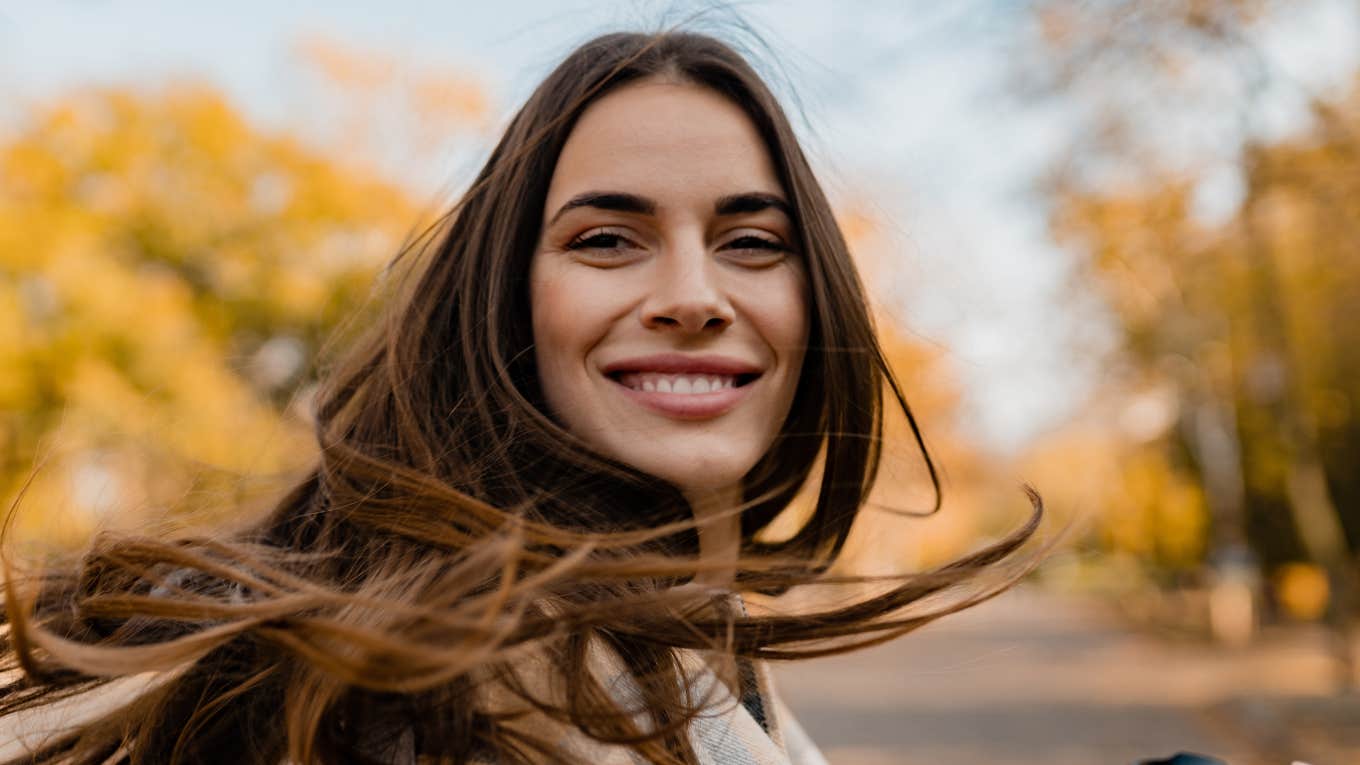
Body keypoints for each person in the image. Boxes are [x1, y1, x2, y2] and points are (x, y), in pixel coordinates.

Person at [0, 30, 1042, 764]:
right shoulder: (458, 688)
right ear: (507, 307)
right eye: (606, 240)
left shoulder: (670, 644)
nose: (691, 296)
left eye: (751, 242)